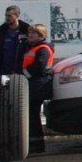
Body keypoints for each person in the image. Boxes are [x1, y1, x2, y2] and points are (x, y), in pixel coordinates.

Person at [21, 23, 55, 154]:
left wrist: (24, 73)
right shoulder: (34, 47)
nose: (30, 35)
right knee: (31, 114)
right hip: (35, 83)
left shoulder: (43, 48)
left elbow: (39, 67)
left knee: (32, 114)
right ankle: (33, 142)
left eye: (33, 33)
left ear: (41, 35)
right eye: (29, 33)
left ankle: (37, 144)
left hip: (39, 85)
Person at [0, 5, 30, 99]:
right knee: (3, 97)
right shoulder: (1, 32)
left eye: (9, 16)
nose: (7, 18)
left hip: (20, 74)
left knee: (18, 99)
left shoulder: (27, 31)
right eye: (6, 15)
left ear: (17, 16)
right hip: (3, 72)